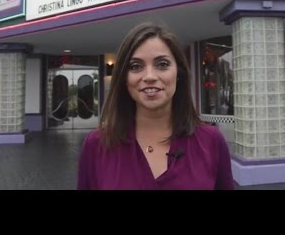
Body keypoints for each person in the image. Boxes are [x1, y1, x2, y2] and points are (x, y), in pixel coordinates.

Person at [77, 22, 234, 190]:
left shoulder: (211, 141)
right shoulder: (96, 144)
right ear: (124, 77)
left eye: (162, 64)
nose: (150, 76)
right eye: (136, 66)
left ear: (178, 73)